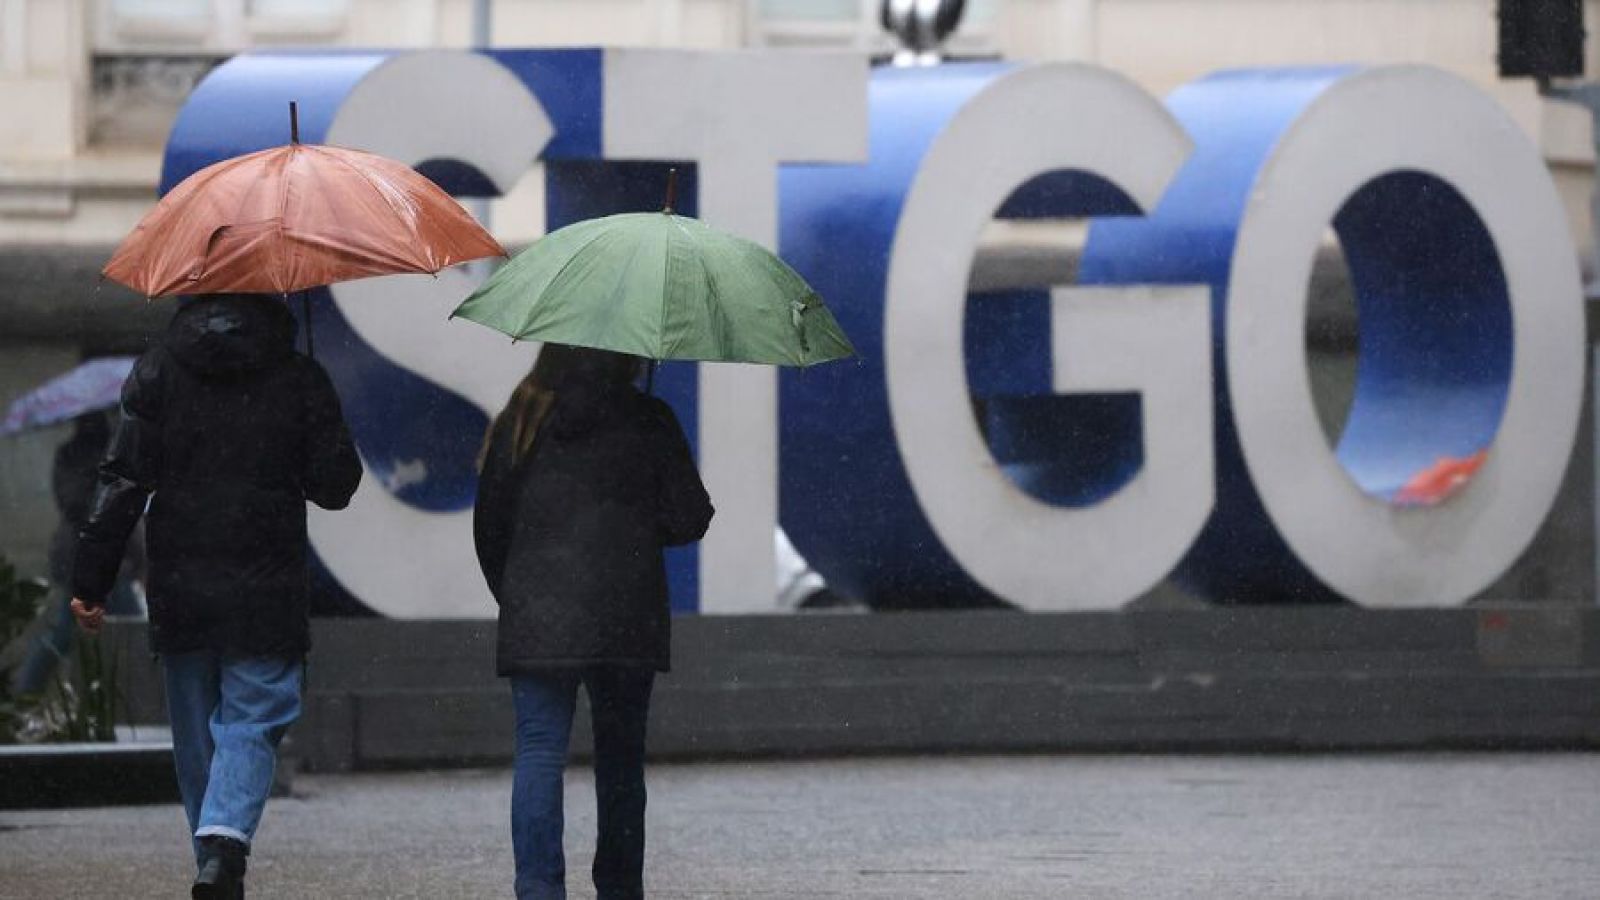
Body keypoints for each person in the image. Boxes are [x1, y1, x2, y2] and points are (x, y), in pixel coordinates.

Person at [70, 292, 361, 899]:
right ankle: (225, 845)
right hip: (266, 580)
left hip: (181, 581)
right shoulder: (296, 374)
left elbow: (123, 478)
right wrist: (317, 415)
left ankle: (215, 864)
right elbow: (335, 487)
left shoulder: (159, 369)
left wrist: (91, 579)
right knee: (255, 716)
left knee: (198, 739)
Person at [474, 344, 713, 900]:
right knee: (621, 760)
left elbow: (490, 525)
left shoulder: (522, 416)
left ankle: (538, 889)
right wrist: (642, 510)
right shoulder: (648, 417)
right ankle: (620, 887)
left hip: (537, 612)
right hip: (625, 614)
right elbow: (690, 517)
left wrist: (516, 596)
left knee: (539, 751)